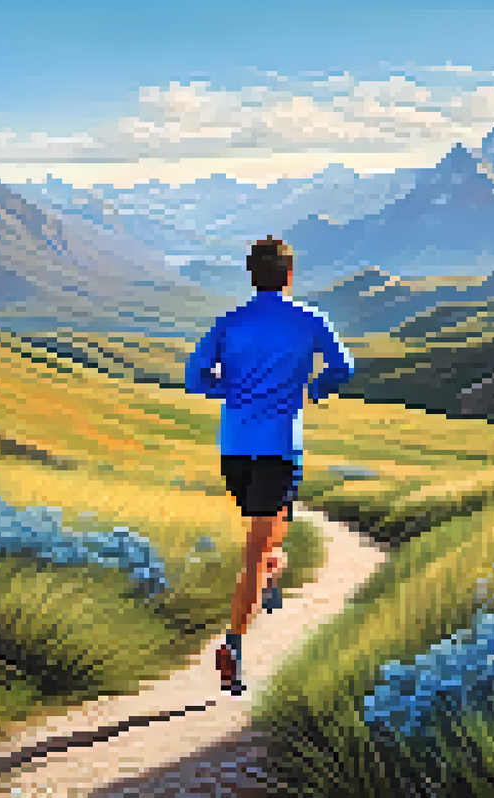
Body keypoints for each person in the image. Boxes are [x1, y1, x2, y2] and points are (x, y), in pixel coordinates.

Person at [183, 235, 354, 695]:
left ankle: (272, 574)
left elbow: (194, 377)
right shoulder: (310, 320)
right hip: (279, 450)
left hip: (234, 451)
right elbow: (344, 367)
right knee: (258, 550)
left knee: (263, 539)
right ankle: (234, 644)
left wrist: (230, 391)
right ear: (290, 275)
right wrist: (313, 390)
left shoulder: (229, 322)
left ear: (251, 275)